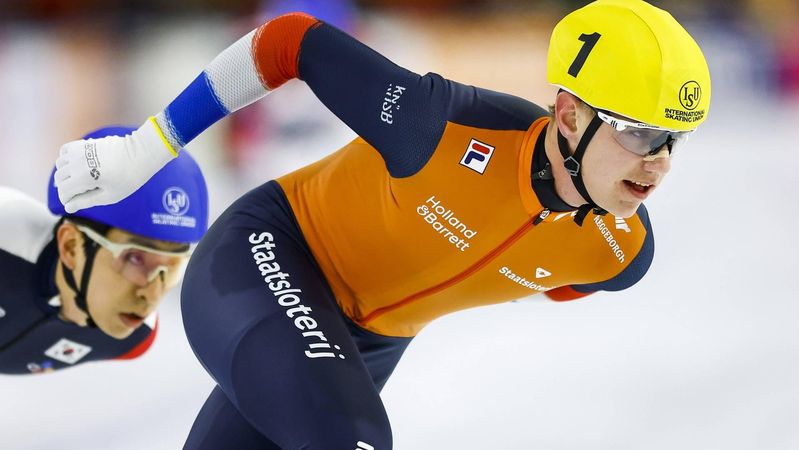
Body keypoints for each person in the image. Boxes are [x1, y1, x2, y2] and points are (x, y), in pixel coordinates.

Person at [52, 0, 711, 448]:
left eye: (675, 140)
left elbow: (558, 276)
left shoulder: (619, 252)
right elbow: (289, 42)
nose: (659, 163)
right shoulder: (440, 126)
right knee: (352, 438)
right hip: (268, 255)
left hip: (360, 344)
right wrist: (144, 148)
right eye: (640, 133)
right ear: (569, 115)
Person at [0, 126, 208, 375]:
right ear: (71, 246)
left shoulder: (135, 339)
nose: (151, 295)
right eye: (135, 257)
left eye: (173, 266)